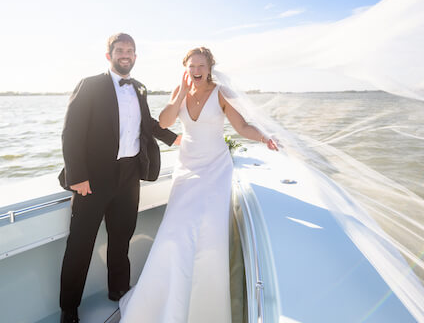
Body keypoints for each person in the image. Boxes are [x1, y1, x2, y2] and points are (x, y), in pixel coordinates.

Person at [119, 47, 277, 322]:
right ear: (186, 68)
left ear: (209, 67)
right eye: (191, 66)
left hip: (216, 169)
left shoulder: (221, 93)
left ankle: (207, 306)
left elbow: (241, 127)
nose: (196, 71)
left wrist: (265, 138)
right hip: (187, 168)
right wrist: (180, 92)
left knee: (210, 232)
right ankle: (166, 300)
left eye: (200, 66)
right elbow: (165, 123)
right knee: (176, 230)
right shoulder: (179, 91)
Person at [57, 33, 180, 323]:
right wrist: (78, 176)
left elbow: (145, 123)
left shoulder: (139, 88)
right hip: (93, 179)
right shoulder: (90, 85)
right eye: (120, 50)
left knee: (121, 239)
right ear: (109, 55)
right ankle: (69, 308)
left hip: (129, 176)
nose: (125, 54)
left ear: (135, 56)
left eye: (130, 51)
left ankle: (119, 292)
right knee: (80, 245)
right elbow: (71, 131)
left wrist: (175, 139)